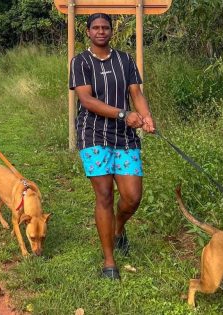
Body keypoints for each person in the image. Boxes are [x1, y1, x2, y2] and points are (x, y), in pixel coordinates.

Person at [69, 13, 156, 280]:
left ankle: (118, 229)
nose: (100, 31)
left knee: (132, 197)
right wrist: (122, 113)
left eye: (105, 27)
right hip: (93, 133)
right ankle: (109, 261)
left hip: (125, 135)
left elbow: (136, 94)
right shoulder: (80, 62)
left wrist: (147, 116)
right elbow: (86, 100)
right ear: (87, 32)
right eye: (95, 27)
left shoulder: (126, 59)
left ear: (111, 31)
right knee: (104, 195)